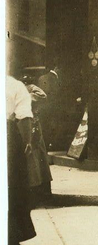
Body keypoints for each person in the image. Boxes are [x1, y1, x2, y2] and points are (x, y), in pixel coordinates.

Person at [6, 75, 37, 245]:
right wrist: (27, 143)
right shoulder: (14, 85)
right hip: (8, 136)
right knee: (13, 186)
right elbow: (25, 118)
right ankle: (11, 237)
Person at [22, 76, 53, 204]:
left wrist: (26, 96)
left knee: (38, 156)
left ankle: (42, 190)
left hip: (33, 125)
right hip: (23, 124)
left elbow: (43, 96)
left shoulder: (31, 88)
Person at [37, 64, 61, 149]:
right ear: (56, 68)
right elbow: (57, 95)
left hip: (42, 108)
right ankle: (52, 145)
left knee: (43, 127)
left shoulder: (41, 78)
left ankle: (44, 146)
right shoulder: (56, 79)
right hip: (53, 109)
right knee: (53, 127)